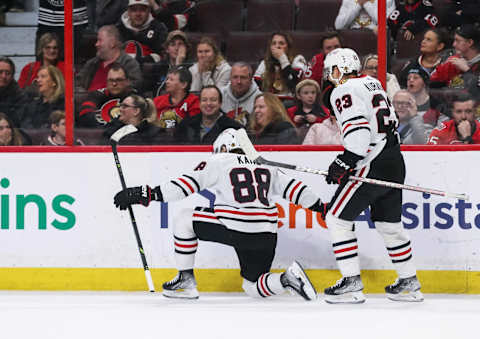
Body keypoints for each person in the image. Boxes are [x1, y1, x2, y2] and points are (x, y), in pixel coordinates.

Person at [113, 128, 328, 300]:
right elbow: (296, 190)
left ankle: (185, 279)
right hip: (267, 233)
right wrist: (321, 208)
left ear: (223, 148)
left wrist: (146, 194)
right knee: (253, 286)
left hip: (235, 227)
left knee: (184, 218)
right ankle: (286, 279)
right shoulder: (265, 165)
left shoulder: (219, 161)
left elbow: (185, 185)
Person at [321, 48, 423, 303]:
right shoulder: (372, 82)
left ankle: (352, 284)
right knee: (390, 225)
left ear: (340, 70)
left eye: (331, 70)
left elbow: (359, 133)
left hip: (372, 161)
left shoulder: (343, 90)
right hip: (394, 158)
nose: (329, 76)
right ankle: (409, 281)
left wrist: (343, 162)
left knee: (336, 218)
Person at [77, 25, 142, 92]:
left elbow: (135, 86)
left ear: (112, 43)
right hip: (86, 99)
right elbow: (77, 83)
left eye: (100, 40)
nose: (96, 44)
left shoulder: (129, 64)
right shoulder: (92, 63)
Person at [174, 85, 243, 144]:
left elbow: (251, 155)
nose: (208, 103)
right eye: (204, 100)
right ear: (199, 103)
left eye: (213, 100)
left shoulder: (235, 128)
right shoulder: (185, 125)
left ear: (220, 103)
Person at [254, 32, 307, 102]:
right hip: (270, 103)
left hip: (291, 102)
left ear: (288, 47)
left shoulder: (298, 59)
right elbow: (256, 87)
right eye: (274, 43)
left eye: (281, 43)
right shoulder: (264, 63)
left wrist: (282, 59)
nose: (277, 46)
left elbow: (295, 85)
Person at [430, 25, 480, 96]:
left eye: (457, 41)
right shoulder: (453, 61)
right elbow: (428, 82)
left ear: (470, 43)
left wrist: (467, 70)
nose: (453, 44)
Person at [116, 0, 168, 64]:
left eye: (142, 10)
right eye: (134, 10)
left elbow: (161, 56)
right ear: (128, 12)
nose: (138, 14)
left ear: (149, 11)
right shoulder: (119, 29)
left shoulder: (157, 29)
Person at [103, 94, 168, 145]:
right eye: (120, 106)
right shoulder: (113, 128)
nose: (120, 109)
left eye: (124, 106)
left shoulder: (154, 132)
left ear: (136, 111)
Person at [150, 30, 194, 96]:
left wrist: (179, 63)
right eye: (173, 44)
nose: (176, 48)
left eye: (180, 44)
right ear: (167, 49)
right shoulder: (159, 67)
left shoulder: (192, 68)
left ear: (186, 48)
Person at [405, 67, 449, 134]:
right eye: (408, 79)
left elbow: (443, 130)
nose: (411, 80)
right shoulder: (403, 104)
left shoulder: (437, 104)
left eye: (416, 78)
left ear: (425, 82)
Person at [220, 62, 262, 127]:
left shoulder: (260, 99)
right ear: (230, 79)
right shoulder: (219, 95)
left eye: (243, 77)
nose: (239, 81)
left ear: (251, 79)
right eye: (235, 77)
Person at [0, 57, 26, 128]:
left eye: (7, 73)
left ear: (12, 76)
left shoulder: (20, 96)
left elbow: (17, 121)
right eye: (0, 72)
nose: (4, 76)